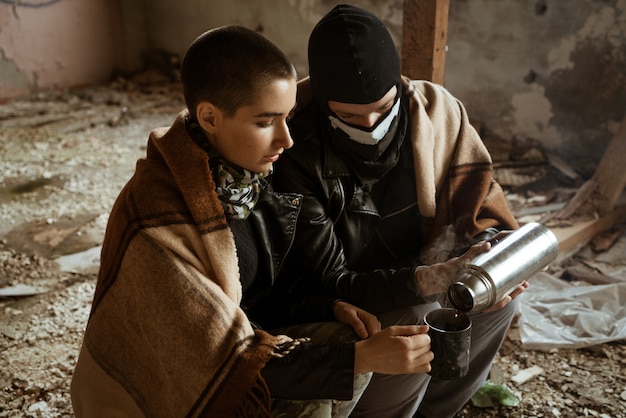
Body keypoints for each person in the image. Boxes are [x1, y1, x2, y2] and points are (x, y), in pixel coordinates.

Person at [70, 25, 434, 418]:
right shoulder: (160, 220)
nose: (287, 140)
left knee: (344, 341)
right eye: (266, 122)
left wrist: (330, 307)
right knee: (332, 374)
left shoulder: (246, 180)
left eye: (288, 118)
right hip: (164, 394)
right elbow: (219, 361)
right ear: (210, 117)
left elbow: (258, 301)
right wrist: (358, 358)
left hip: (226, 352)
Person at [272, 4, 527, 418]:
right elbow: (331, 280)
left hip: (418, 270)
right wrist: (435, 278)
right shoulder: (295, 149)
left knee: (497, 303)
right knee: (419, 320)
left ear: (398, 87)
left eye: (382, 107)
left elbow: (480, 211)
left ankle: (435, 410)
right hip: (353, 294)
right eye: (350, 116)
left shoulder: (433, 114)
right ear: (322, 102)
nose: (370, 126)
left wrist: (490, 261)